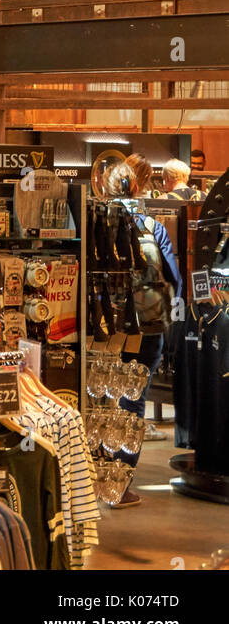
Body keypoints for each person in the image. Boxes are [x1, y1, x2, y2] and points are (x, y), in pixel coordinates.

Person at [100, 161, 183, 501]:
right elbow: (173, 277)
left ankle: (99, 474)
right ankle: (121, 485)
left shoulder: (98, 222)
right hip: (147, 324)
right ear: (138, 188)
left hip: (108, 324)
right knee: (134, 398)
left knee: (105, 397)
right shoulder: (151, 225)